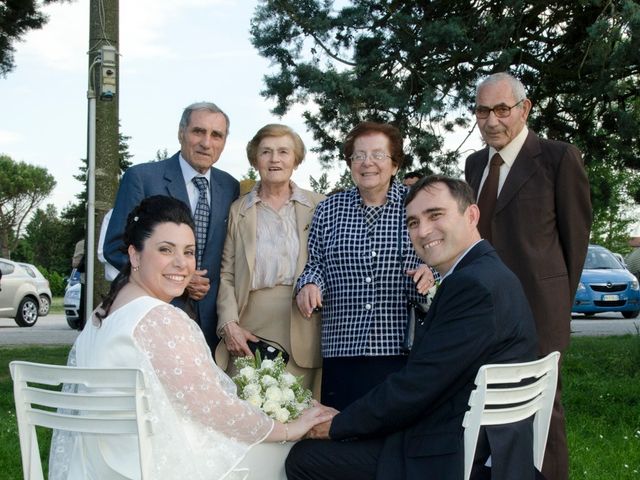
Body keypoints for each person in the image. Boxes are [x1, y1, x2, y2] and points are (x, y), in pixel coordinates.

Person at [48, 196, 332, 480]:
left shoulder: (103, 312)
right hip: (150, 466)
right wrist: (287, 429)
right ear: (134, 255)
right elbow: (213, 408)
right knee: (293, 453)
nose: (181, 264)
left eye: (188, 252)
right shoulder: (158, 318)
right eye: (165, 250)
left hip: (100, 464)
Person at [286, 176, 539, 480]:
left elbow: (419, 386)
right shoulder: (488, 271)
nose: (423, 231)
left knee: (305, 459)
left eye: (436, 215)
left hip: (453, 451)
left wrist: (338, 424)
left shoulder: (473, 285)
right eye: (413, 222)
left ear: (471, 215)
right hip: (475, 435)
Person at [464, 72, 592, 480]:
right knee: (488, 408)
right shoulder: (474, 164)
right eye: (483, 111)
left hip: (539, 314)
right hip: (482, 314)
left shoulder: (558, 158)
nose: (492, 120)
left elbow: (575, 243)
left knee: (541, 414)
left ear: (525, 108)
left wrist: (556, 310)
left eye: (502, 109)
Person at [295, 121, 435, 410]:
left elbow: (443, 255)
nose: (367, 163)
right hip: (342, 344)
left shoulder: (416, 206)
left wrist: (431, 272)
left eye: (377, 155)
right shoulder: (328, 209)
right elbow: (315, 264)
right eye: (358, 156)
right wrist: (309, 284)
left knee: (394, 435)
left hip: (400, 345)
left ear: (395, 165)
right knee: (344, 435)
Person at [104, 102, 239, 350]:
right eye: (198, 131)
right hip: (153, 316)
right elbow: (115, 247)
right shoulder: (141, 178)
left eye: (216, 135)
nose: (206, 143)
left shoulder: (230, 187)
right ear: (181, 133)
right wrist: (180, 279)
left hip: (211, 325)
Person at [216, 124, 325, 393]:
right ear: (256, 160)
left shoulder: (320, 205)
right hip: (249, 329)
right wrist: (228, 323)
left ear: (296, 160)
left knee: (298, 413)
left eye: (283, 152)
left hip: (304, 326)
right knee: (248, 411)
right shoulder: (239, 210)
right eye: (266, 152)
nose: (275, 159)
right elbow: (227, 273)